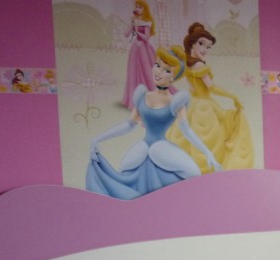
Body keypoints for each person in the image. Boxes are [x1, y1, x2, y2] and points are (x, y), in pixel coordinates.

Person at [86, 46, 220, 201]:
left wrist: (207, 152)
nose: (159, 72)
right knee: (125, 177)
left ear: (173, 77)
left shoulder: (175, 101)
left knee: (193, 174)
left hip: (161, 148)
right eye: (157, 65)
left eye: (167, 70)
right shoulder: (143, 95)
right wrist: (98, 139)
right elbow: (129, 124)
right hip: (142, 148)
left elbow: (186, 130)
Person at [166, 22, 254, 173]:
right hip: (204, 107)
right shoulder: (199, 66)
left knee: (188, 138)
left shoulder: (187, 63)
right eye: (201, 44)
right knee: (209, 138)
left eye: (208, 47)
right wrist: (232, 96)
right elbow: (211, 87)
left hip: (192, 104)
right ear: (192, 44)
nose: (204, 49)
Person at [121, 0, 157, 109]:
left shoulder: (147, 22)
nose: (137, 8)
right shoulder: (135, 20)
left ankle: (151, 97)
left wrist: (137, 30)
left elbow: (146, 38)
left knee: (147, 71)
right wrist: (131, 24)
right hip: (135, 48)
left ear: (144, 9)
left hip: (144, 49)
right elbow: (126, 34)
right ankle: (133, 99)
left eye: (140, 7)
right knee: (133, 72)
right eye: (136, 6)